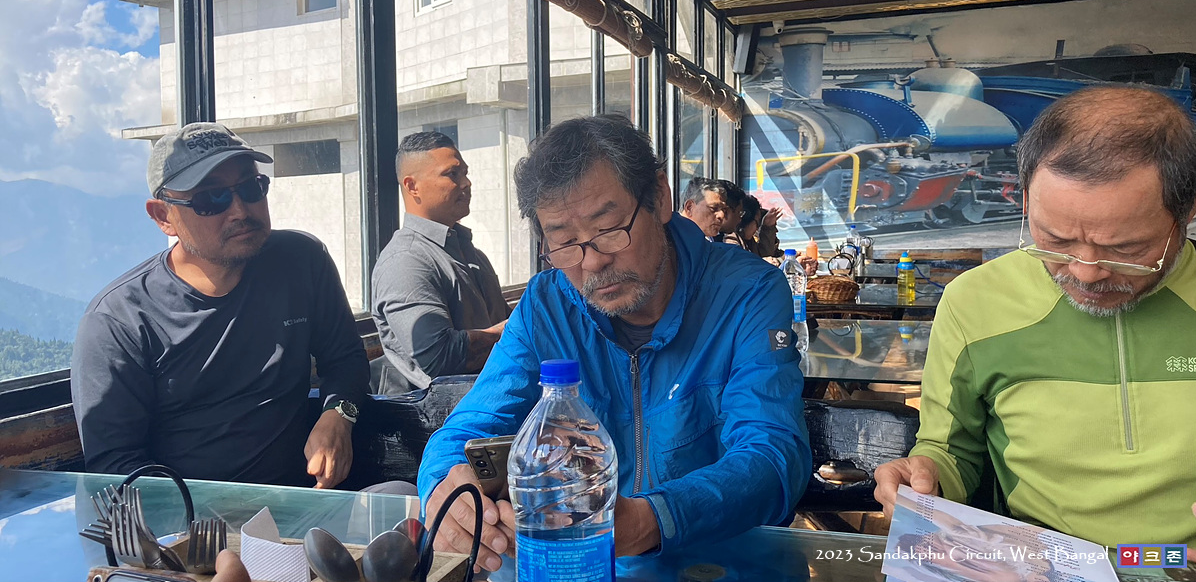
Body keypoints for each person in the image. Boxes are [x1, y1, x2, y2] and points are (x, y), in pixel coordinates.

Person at [417, 115, 811, 572]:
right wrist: (444, 486)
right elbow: (469, 428)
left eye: (607, 230)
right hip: (577, 566)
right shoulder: (546, 307)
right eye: (564, 243)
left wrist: (652, 519)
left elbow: (772, 453)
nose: (592, 263)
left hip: (718, 566)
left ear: (660, 197)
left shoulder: (747, 292)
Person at [874, 86, 1196, 559]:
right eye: (1056, 240)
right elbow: (951, 450)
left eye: (1124, 249)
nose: (1086, 273)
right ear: (1026, 200)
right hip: (1042, 564)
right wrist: (924, 478)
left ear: (1188, 210)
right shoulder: (975, 301)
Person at [71, 122, 369, 488]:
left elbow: (345, 358)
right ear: (163, 217)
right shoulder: (120, 319)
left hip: (306, 498)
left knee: (407, 502)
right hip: (190, 516)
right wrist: (198, 520)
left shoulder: (301, 261)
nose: (240, 210)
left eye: (251, 187)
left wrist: (338, 415)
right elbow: (115, 465)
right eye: (211, 199)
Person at [371, 131, 509, 394]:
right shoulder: (406, 261)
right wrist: (520, 331)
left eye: (465, 173)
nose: (466, 183)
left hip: (494, 399)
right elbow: (441, 358)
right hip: (442, 416)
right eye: (452, 174)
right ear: (412, 186)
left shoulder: (473, 254)